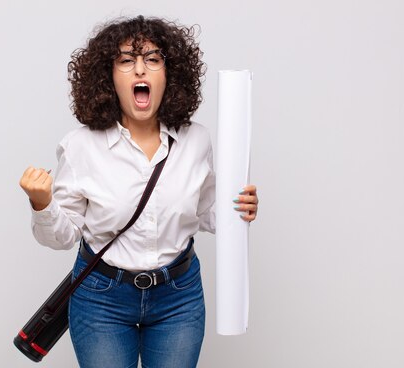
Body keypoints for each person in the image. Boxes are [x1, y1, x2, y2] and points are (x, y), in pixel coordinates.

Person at [19, 15, 258, 368]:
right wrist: (42, 203)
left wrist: (241, 208)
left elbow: (207, 212)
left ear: (169, 74)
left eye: (153, 59)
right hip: (102, 298)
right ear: (109, 77)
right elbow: (63, 236)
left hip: (178, 296)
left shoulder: (197, 140)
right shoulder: (80, 147)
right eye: (127, 61)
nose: (140, 71)